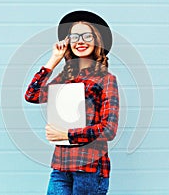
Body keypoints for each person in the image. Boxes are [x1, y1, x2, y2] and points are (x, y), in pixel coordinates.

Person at [24, 10, 119, 195]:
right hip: (61, 167)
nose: (80, 41)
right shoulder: (64, 78)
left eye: (86, 36)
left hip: (90, 169)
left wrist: (67, 134)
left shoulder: (106, 79)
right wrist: (53, 60)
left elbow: (109, 129)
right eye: (74, 36)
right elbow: (32, 95)